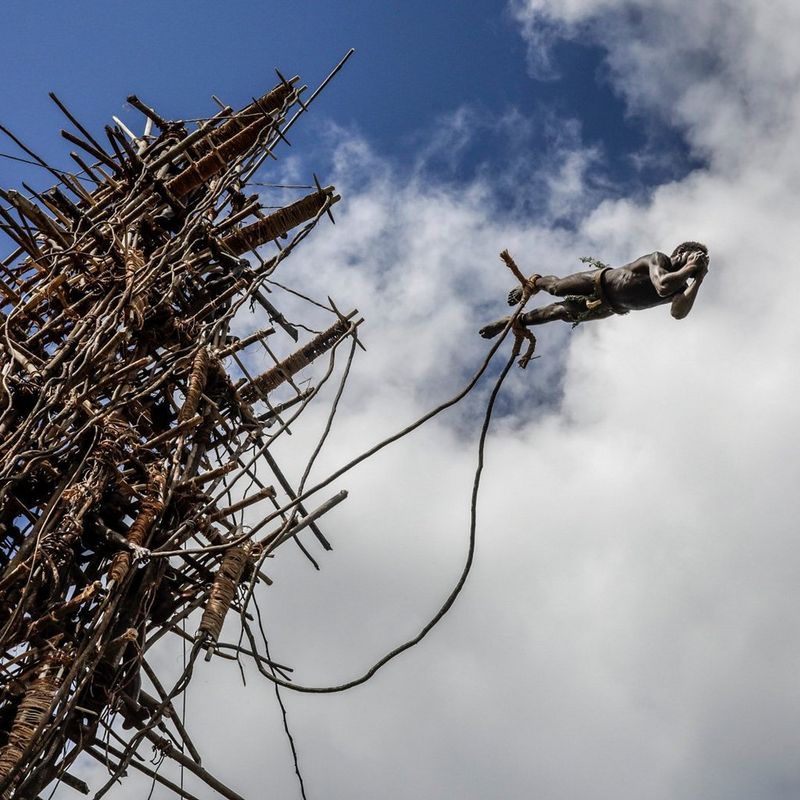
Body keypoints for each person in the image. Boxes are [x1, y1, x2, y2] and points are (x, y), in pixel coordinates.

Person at [478, 241, 709, 339]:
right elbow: (662, 285)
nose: (696, 263)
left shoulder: (682, 287)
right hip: (600, 281)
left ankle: (515, 321)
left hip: (609, 306)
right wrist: (691, 265)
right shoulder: (660, 260)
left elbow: (678, 313)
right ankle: (534, 283)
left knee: (559, 313)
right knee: (557, 288)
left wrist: (698, 279)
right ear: (681, 253)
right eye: (694, 256)